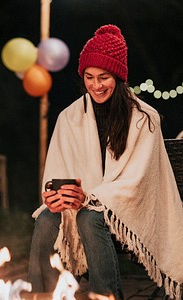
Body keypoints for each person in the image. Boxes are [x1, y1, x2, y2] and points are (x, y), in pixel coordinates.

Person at [28, 24, 183, 300]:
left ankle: (106, 296)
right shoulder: (69, 117)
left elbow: (139, 180)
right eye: (89, 77)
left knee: (90, 218)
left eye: (104, 77)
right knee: (45, 218)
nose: (96, 85)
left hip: (127, 207)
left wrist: (92, 198)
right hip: (83, 203)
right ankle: (39, 296)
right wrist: (57, 195)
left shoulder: (144, 118)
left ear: (119, 77)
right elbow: (58, 168)